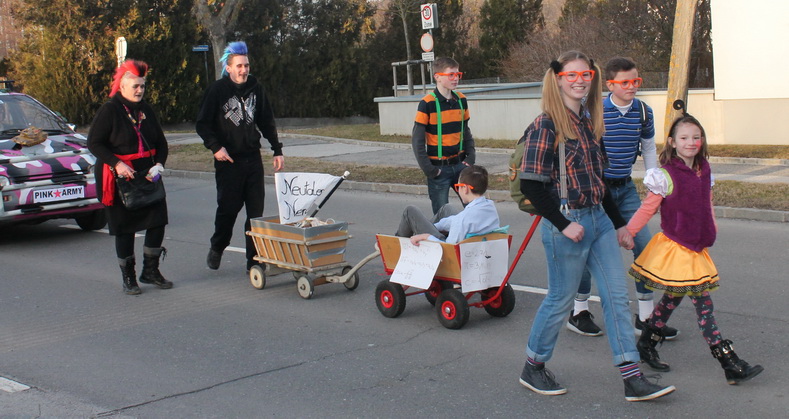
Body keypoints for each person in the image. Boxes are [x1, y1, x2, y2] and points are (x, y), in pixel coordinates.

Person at [516, 51, 675, 401]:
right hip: (567, 224)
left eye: (585, 74)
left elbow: (598, 182)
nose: (579, 80)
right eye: (571, 75)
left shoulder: (589, 121)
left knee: (616, 297)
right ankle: (534, 365)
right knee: (560, 299)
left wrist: (619, 225)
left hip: (599, 220)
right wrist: (563, 225)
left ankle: (632, 377)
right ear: (558, 79)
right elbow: (531, 185)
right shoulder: (546, 125)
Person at [627, 113, 764, 384]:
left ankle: (646, 343)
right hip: (677, 248)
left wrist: (711, 226)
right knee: (704, 305)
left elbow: (706, 202)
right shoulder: (664, 175)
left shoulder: (704, 169)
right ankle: (728, 362)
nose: (691, 142)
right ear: (672, 142)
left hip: (696, 247)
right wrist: (629, 232)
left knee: (672, 298)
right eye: (684, 138)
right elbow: (648, 208)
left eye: (696, 137)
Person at [567, 57, 679, 341]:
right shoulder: (594, 110)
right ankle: (579, 312)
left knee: (644, 246)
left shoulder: (643, 112)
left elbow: (648, 148)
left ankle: (646, 317)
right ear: (610, 85)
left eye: (635, 81)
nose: (632, 87)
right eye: (625, 82)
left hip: (625, 188)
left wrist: (653, 180)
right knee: (587, 248)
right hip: (596, 190)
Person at [196, 41, 284, 272]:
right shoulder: (217, 90)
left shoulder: (256, 88)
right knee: (228, 210)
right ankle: (218, 246)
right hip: (228, 161)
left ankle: (254, 262)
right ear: (229, 68)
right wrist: (216, 148)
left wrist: (277, 149)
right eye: (239, 66)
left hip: (252, 159)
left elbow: (266, 120)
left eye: (246, 65)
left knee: (255, 215)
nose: (244, 70)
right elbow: (202, 124)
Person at [88, 60, 173, 295]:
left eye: (142, 86)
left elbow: (161, 143)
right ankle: (129, 278)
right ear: (122, 86)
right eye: (135, 86)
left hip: (147, 175)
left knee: (157, 222)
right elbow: (94, 143)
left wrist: (159, 164)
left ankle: (150, 271)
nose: (139, 90)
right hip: (118, 177)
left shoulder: (146, 110)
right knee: (124, 229)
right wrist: (117, 163)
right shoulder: (109, 110)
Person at [412, 57, 476, 215]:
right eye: (451, 75)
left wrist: (470, 158)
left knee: (474, 210)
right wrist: (430, 170)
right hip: (438, 168)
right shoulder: (427, 103)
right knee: (442, 216)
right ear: (437, 77)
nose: (456, 78)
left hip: (461, 166)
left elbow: (466, 131)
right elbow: (417, 141)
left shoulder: (461, 100)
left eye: (458, 74)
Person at [395, 165, 498, 245]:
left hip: (448, 251)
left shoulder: (462, 220)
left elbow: (449, 249)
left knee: (410, 211)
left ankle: (395, 247)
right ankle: (422, 229)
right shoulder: (490, 208)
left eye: (458, 186)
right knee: (447, 208)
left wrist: (427, 236)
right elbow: (455, 221)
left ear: (465, 188)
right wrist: (432, 227)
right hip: (477, 248)